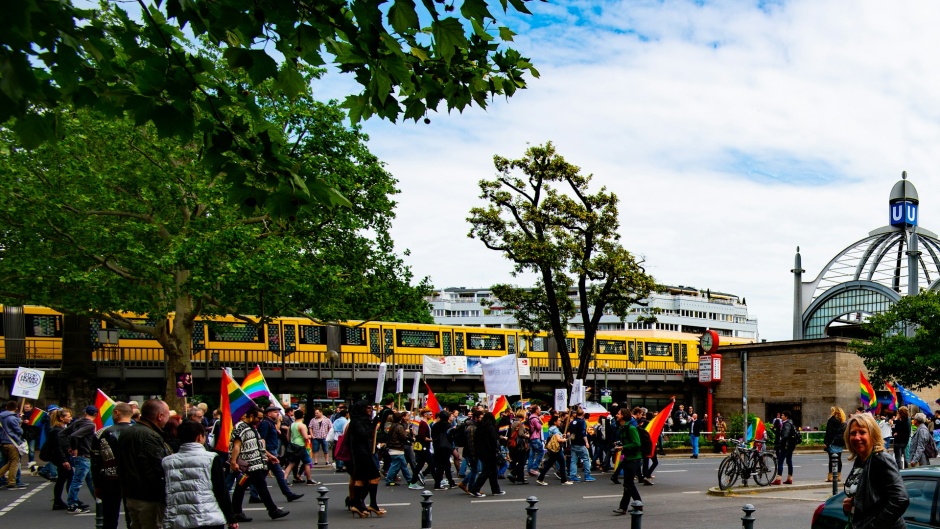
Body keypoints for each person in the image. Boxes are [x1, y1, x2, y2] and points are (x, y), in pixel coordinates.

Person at [162, 420, 237, 529]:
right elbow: (221, 489)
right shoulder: (211, 458)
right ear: (199, 437)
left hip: (178, 519)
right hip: (208, 516)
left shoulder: (167, 461)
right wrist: (230, 517)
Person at [842, 412, 909, 529]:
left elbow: (900, 499)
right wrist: (852, 503)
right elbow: (873, 497)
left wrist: (873, 527)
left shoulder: (881, 459)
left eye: (862, 432)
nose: (857, 437)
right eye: (853, 433)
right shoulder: (861, 460)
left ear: (872, 435)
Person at [117, 399, 173, 529]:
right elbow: (155, 468)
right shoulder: (150, 435)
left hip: (131, 493)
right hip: (148, 497)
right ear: (160, 416)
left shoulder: (128, 431)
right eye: (167, 415)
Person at [229, 406, 290, 522]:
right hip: (248, 465)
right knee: (258, 487)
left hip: (254, 464)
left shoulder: (252, 427)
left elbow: (257, 445)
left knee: (242, 487)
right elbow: (236, 446)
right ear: (251, 416)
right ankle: (272, 510)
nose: (260, 420)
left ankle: (237, 512)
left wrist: (269, 456)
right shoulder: (240, 427)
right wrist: (233, 462)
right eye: (259, 418)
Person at [92, 402, 133, 529]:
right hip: (133, 480)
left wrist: (97, 484)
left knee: (109, 519)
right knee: (133, 519)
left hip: (109, 480)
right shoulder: (139, 432)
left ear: (116, 413)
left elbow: (95, 462)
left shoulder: (101, 433)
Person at [250, 406, 303, 503]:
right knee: (278, 474)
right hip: (269, 451)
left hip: (271, 451)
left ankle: (253, 495)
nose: (277, 414)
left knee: (261, 475)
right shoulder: (266, 423)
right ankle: (288, 494)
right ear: (269, 414)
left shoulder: (270, 423)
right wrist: (267, 454)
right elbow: (262, 439)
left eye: (278, 412)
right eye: (275, 412)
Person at [345, 401, 384, 517]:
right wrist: (373, 425)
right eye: (368, 408)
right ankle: (371, 504)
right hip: (362, 454)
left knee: (360, 479)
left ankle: (358, 504)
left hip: (361, 453)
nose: (370, 410)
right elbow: (364, 434)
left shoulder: (359, 421)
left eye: (371, 408)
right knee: (375, 477)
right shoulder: (357, 422)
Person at [65, 405, 97, 512]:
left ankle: (98, 500)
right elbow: (74, 436)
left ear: (85, 413)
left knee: (91, 480)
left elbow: (63, 434)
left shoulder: (78, 422)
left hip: (82, 456)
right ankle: (72, 504)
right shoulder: (90, 425)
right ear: (95, 415)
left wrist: (69, 446)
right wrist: (74, 448)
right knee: (78, 481)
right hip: (84, 455)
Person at [42, 407, 72, 510]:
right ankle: (70, 500)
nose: (70, 418)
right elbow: (58, 447)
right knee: (67, 477)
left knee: (63, 479)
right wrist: (64, 460)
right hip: (61, 458)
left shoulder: (62, 429)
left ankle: (58, 501)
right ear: (61, 418)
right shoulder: (56, 431)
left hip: (62, 457)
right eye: (68, 416)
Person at [613, 407, 642, 515]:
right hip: (628, 458)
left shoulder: (631, 428)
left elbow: (636, 443)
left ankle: (623, 507)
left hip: (634, 459)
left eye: (618, 414)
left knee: (627, 484)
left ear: (623, 416)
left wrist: (623, 447)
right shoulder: (623, 428)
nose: (617, 415)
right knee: (629, 484)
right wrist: (619, 444)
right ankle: (639, 504)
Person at [469, 412, 504, 497]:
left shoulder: (480, 427)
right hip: (490, 452)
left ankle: (496, 490)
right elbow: (494, 440)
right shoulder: (490, 427)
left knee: (493, 471)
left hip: (481, 452)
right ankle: (475, 489)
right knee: (487, 471)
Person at [282, 409, 319, 486]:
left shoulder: (292, 425)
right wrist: (310, 436)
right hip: (301, 446)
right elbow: (305, 437)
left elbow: (287, 436)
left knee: (291, 463)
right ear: (303, 416)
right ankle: (309, 480)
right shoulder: (302, 425)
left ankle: (284, 479)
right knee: (307, 462)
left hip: (292, 445)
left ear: (294, 416)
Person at [535, 415, 571, 486]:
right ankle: (564, 480)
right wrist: (565, 439)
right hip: (556, 449)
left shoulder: (551, 428)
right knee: (562, 463)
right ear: (555, 422)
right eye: (559, 420)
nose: (560, 422)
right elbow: (558, 439)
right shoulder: (555, 429)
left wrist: (561, 436)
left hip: (552, 449)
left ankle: (540, 478)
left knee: (549, 464)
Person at [0, 400, 25, 490]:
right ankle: (11, 482)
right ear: (16, 408)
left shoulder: (2, 417)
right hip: (12, 442)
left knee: (10, 462)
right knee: (15, 462)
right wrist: (19, 422)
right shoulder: (13, 418)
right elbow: (19, 431)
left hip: (3, 441)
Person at [384, 412, 413, 487]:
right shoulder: (399, 427)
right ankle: (390, 480)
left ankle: (409, 480)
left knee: (402, 465)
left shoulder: (393, 426)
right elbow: (403, 437)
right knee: (396, 466)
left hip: (394, 448)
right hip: (397, 448)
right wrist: (407, 434)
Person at [408, 408, 433, 489]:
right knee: (432, 464)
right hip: (424, 447)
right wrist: (432, 440)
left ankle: (413, 482)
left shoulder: (425, 423)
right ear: (425, 414)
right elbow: (422, 436)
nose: (431, 415)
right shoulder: (423, 423)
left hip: (425, 447)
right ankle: (438, 482)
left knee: (420, 465)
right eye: (430, 414)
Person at [431, 409, 455, 491]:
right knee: (446, 465)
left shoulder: (435, 426)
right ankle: (442, 483)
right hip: (447, 447)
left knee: (440, 466)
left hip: (437, 447)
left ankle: (448, 482)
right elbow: (451, 437)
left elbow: (433, 437)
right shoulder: (449, 426)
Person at [771, 410, 797, 485]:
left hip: (786, 445)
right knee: (789, 461)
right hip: (790, 445)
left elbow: (785, 436)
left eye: (782, 415)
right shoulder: (791, 423)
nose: (781, 416)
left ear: (786, 417)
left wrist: (780, 442)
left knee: (780, 461)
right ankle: (789, 478)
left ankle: (778, 479)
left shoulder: (786, 424)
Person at [568, 407, 594, 482]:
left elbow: (570, 432)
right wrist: (586, 442)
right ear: (583, 414)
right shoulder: (582, 422)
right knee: (586, 459)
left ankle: (572, 475)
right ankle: (587, 475)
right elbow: (583, 433)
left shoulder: (572, 422)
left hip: (573, 443)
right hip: (581, 443)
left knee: (573, 460)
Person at [823, 406, 846, 483]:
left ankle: (831, 476)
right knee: (839, 459)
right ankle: (838, 476)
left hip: (832, 442)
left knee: (831, 459)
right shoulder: (842, 421)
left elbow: (829, 432)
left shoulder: (831, 420)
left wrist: (826, 442)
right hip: (840, 442)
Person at [507, 409, 529, 484]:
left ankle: (520, 478)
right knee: (521, 462)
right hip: (520, 444)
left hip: (514, 445)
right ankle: (513, 473)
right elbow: (520, 434)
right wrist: (526, 435)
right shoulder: (520, 423)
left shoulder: (513, 422)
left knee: (518, 461)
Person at [526, 406, 544, 476]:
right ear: (536, 410)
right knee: (541, 452)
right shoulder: (534, 418)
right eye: (539, 409)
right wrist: (540, 420)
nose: (540, 410)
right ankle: (534, 468)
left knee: (532, 454)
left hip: (532, 437)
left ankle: (529, 469)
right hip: (535, 437)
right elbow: (539, 427)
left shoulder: (531, 417)